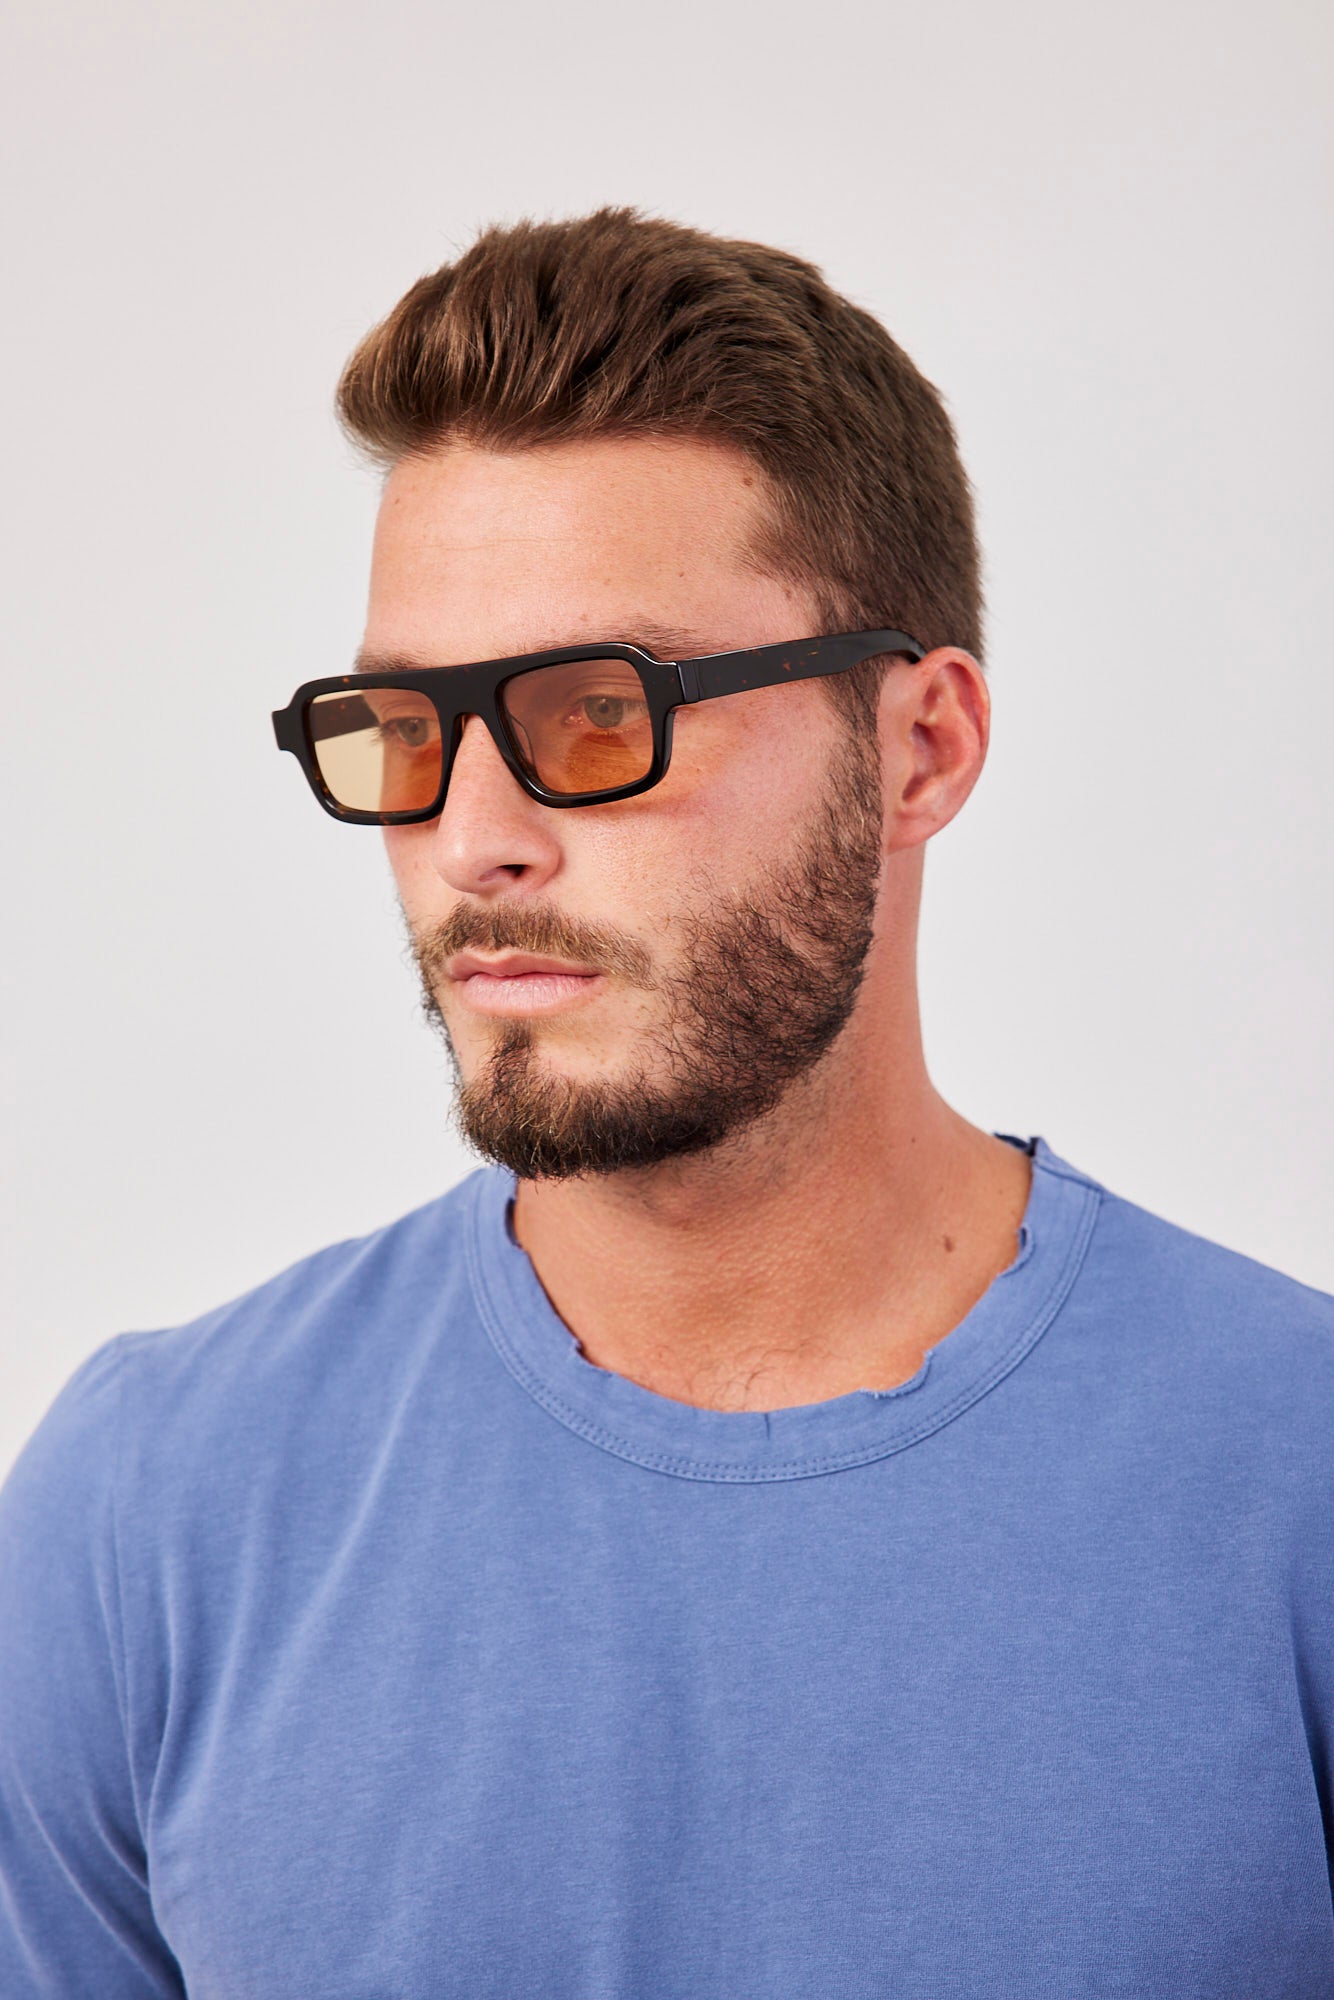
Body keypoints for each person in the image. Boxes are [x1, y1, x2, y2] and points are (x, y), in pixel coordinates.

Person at [1, 208, 1330, 1999]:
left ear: (919, 746)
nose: (473, 840)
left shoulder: (1292, 1478)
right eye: (406, 729)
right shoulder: (147, 1512)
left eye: (596, 712)